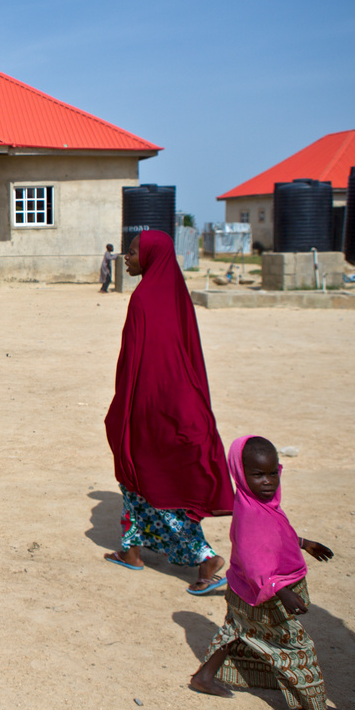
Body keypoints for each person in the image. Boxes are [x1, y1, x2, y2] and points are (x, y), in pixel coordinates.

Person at [103, 230, 234, 593]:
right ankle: (131, 551)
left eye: (131, 253)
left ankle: (206, 561)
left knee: (158, 483)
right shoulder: (174, 294)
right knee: (135, 482)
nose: (126, 259)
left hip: (153, 407)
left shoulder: (144, 299)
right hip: (176, 402)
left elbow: (138, 362)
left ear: (150, 257)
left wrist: (126, 407)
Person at [189, 436, 333, 710]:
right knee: (295, 648)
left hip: (242, 589)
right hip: (265, 594)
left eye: (271, 473)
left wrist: (303, 543)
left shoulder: (256, 504)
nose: (267, 481)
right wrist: (282, 591)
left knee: (237, 629)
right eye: (257, 475)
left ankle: (204, 678)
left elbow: (274, 536)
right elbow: (256, 563)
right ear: (242, 474)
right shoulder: (253, 516)